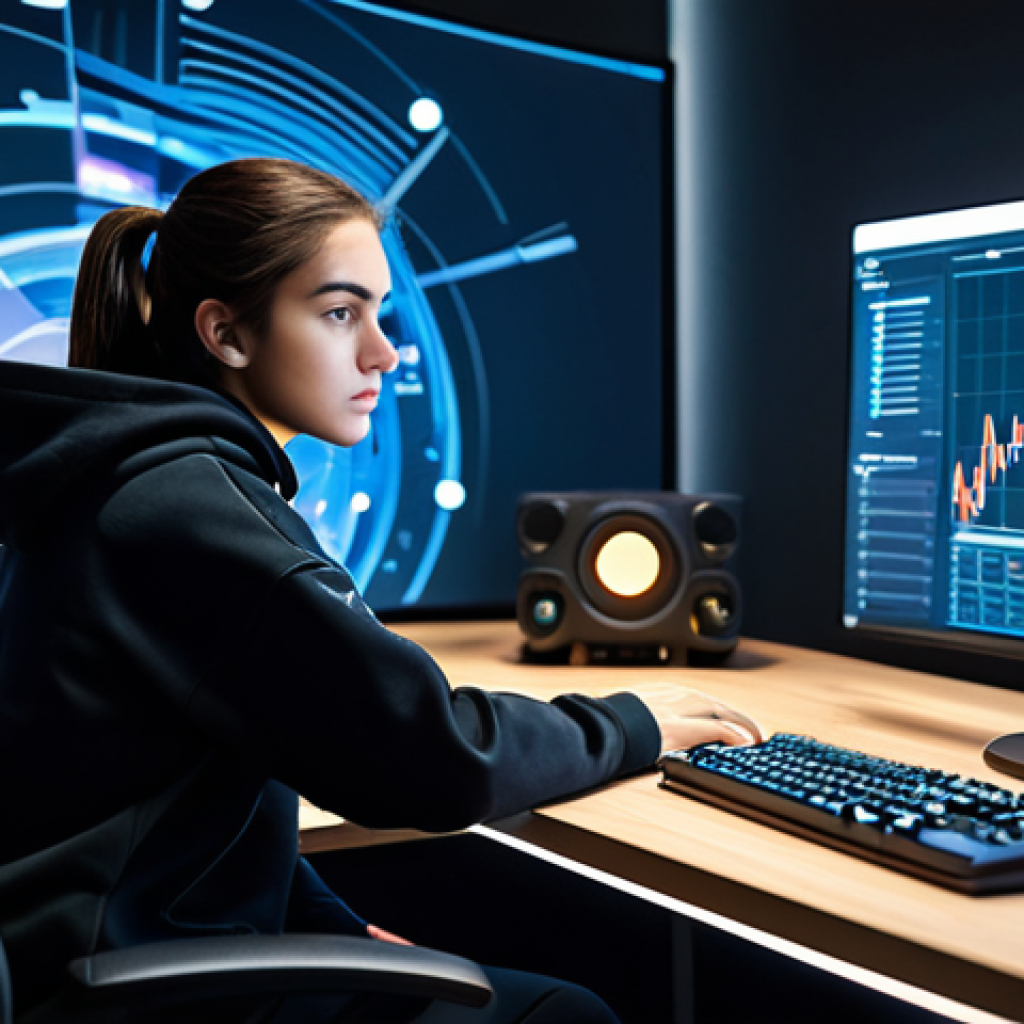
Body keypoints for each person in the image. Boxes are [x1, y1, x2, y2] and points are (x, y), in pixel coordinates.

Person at [0, 158, 760, 1023]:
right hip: (119, 994)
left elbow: (209, 805)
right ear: (227, 333)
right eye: (339, 313)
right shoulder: (186, 512)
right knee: (565, 1014)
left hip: (92, 957)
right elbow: (430, 762)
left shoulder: (129, 482)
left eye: (380, 312)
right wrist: (635, 724)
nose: (383, 351)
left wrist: (338, 928)